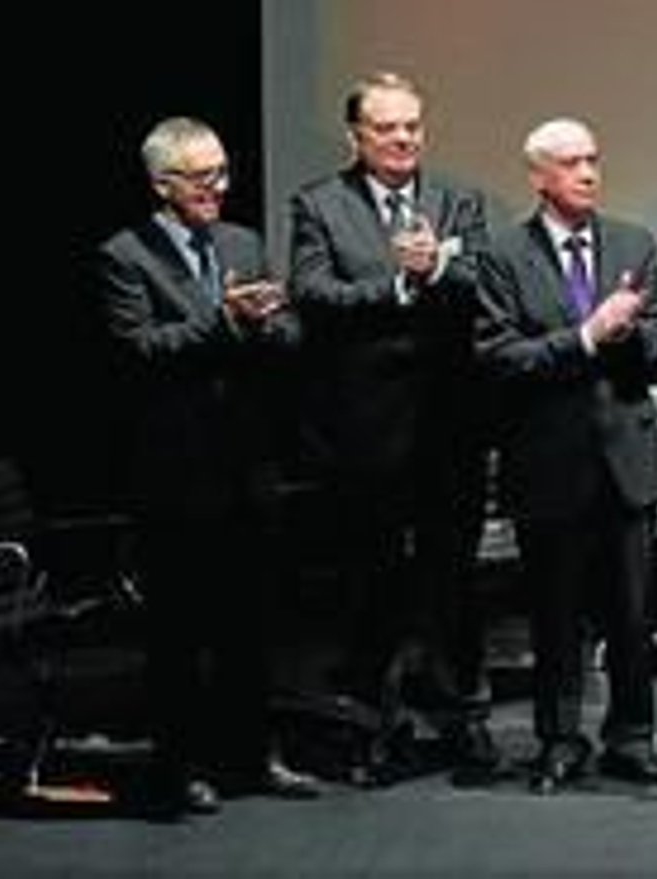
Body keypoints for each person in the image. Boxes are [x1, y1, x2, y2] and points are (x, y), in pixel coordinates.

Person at [97, 117, 320, 816]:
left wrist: (267, 320)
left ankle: (253, 753)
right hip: (176, 472)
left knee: (253, 623)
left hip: (247, 466)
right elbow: (138, 351)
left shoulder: (242, 241)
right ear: (162, 183)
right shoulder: (125, 255)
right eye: (201, 177)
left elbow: (288, 334)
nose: (218, 188)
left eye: (223, 173)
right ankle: (180, 765)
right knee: (179, 632)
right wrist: (222, 320)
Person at [287, 71, 498, 786]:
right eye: (387, 127)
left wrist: (439, 268)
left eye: (412, 124)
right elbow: (313, 292)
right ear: (357, 136)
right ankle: (371, 725)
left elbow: (487, 286)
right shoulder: (319, 204)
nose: (404, 137)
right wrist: (399, 285)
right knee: (370, 582)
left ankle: (462, 719)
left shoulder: (457, 200)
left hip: (450, 427)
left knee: (455, 581)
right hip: (364, 430)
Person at [475, 117, 657, 792]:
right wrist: (588, 334)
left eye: (593, 159)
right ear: (538, 176)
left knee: (633, 613)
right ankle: (560, 739)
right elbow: (501, 358)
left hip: (626, 458)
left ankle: (633, 737)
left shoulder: (633, 242)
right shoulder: (503, 254)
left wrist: (625, 332)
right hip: (549, 461)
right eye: (570, 162)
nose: (588, 172)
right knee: (555, 614)